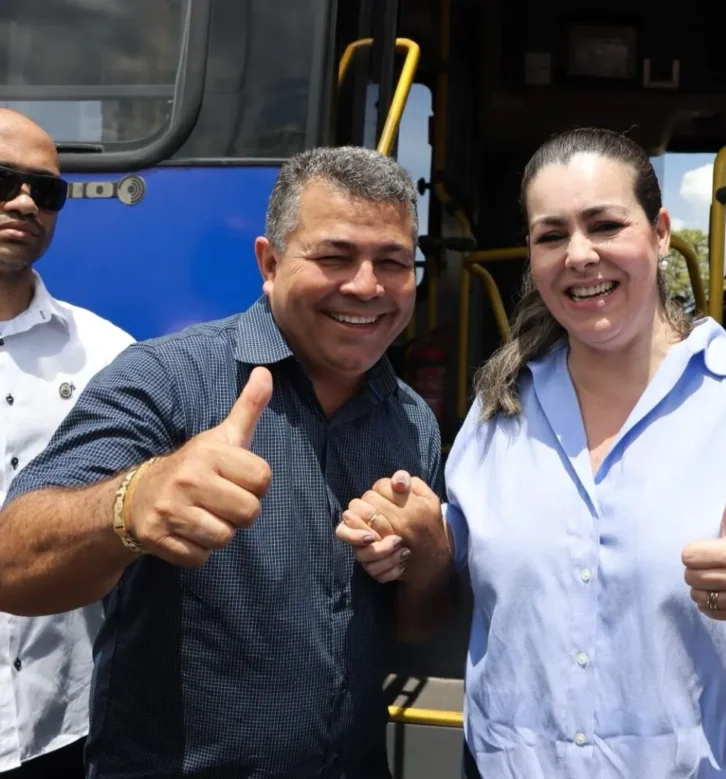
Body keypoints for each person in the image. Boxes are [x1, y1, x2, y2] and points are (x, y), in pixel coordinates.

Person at [338, 127, 726, 778]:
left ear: (660, 231)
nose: (580, 254)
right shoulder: (496, 409)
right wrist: (416, 538)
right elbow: (469, 586)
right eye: (552, 235)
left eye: (605, 224)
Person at [0, 146, 451, 778]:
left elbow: (414, 629)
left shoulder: (411, 421)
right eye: (334, 256)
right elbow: (13, 560)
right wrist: (133, 500)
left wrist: (429, 560)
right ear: (269, 263)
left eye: (393, 262)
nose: (367, 286)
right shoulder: (166, 379)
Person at [0, 109, 134, 778]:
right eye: (4, 181)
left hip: (62, 731)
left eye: (45, 190)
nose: (25, 201)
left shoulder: (113, 357)